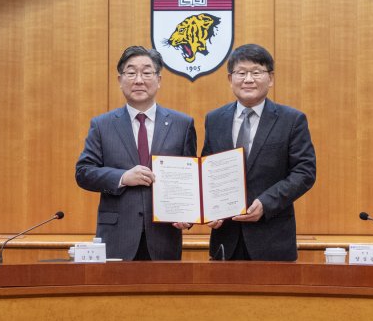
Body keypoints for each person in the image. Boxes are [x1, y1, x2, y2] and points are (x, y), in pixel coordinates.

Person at [75, 46, 197, 260]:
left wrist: (188, 215)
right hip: (117, 237)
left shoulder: (182, 124)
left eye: (147, 72)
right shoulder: (102, 125)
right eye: (131, 73)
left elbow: (191, 179)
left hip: (164, 237)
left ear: (159, 79)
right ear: (120, 80)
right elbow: (84, 172)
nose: (139, 80)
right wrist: (122, 177)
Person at [202, 44, 316, 261]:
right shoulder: (214, 119)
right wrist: (209, 210)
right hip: (225, 240)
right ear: (230, 79)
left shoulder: (292, 120)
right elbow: (207, 171)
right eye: (241, 73)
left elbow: (304, 172)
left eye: (256, 72)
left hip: (272, 239)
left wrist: (266, 203)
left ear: (270, 78)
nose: (248, 79)